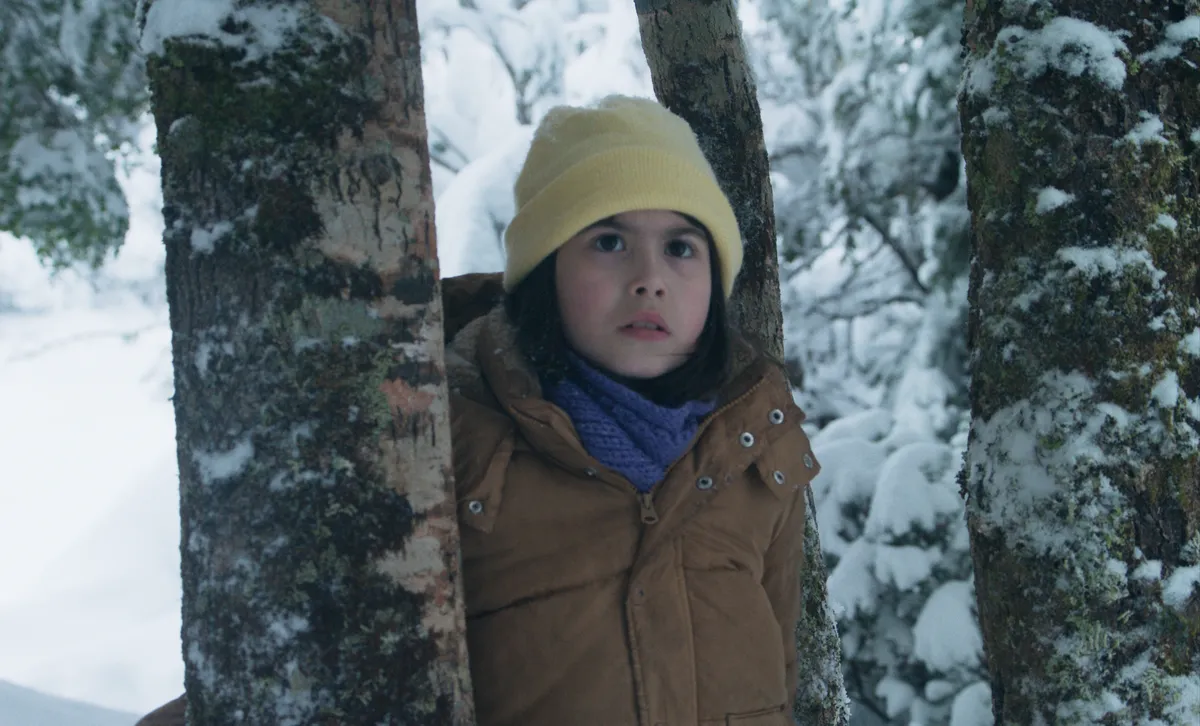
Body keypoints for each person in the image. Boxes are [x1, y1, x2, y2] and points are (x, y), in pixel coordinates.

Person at [136, 95, 820, 726]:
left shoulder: (755, 445)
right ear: (545, 271)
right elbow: (292, 670)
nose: (650, 277)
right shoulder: (441, 429)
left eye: (681, 246)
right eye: (607, 241)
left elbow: (781, 680)